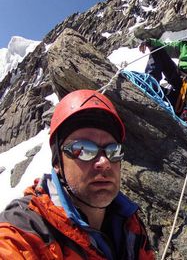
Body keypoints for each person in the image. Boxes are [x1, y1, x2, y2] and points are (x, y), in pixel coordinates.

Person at [0, 90, 155, 259]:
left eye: (113, 151)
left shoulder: (130, 225)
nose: (104, 163)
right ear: (57, 162)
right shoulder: (25, 229)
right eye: (83, 150)